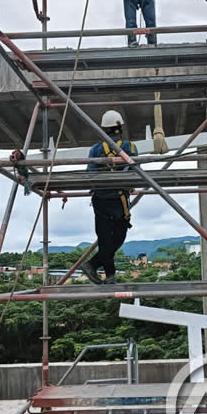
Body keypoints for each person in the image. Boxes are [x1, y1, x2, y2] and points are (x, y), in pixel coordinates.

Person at [81, 111, 138, 285]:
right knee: (118, 238)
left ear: (104, 130)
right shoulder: (129, 147)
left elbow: (90, 173)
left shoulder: (95, 149)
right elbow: (135, 171)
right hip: (119, 200)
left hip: (100, 200)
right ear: (120, 128)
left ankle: (105, 272)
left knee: (105, 240)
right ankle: (100, 269)